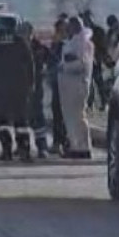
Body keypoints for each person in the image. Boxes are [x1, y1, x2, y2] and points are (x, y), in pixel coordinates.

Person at [0, 18, 36, 162]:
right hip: (19, 87)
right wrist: (31, 84)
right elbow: (30, 64)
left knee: (3, 121)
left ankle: (6, 151)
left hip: (0, 87)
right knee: (21, 120)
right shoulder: (20, 41)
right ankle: (24, 150)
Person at [58, 15, 94, 159]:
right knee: (71, 118)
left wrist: (66, 65)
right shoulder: (72, 42)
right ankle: (75, 145)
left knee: (78, 116)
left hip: (77, 84)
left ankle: (83, 146)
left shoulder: (84, 43)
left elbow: (82, 64)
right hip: (68, 86)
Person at [19, 22, 53, 158]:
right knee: (22, 119)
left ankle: (42, 147)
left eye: (26, 32)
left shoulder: (39, 47)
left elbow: (50, 61)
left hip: (35, 86)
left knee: (37, 117)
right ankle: (23, 146)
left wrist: (45, 71)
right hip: (20, 87)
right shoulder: (17, 47)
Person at [48, 15, 70, 153]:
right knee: (57, 112)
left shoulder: (69, 45)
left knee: (65, 114)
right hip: (57, 82)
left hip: (68, 84)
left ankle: (65, 142)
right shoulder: (56, 45)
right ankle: (57, 142)